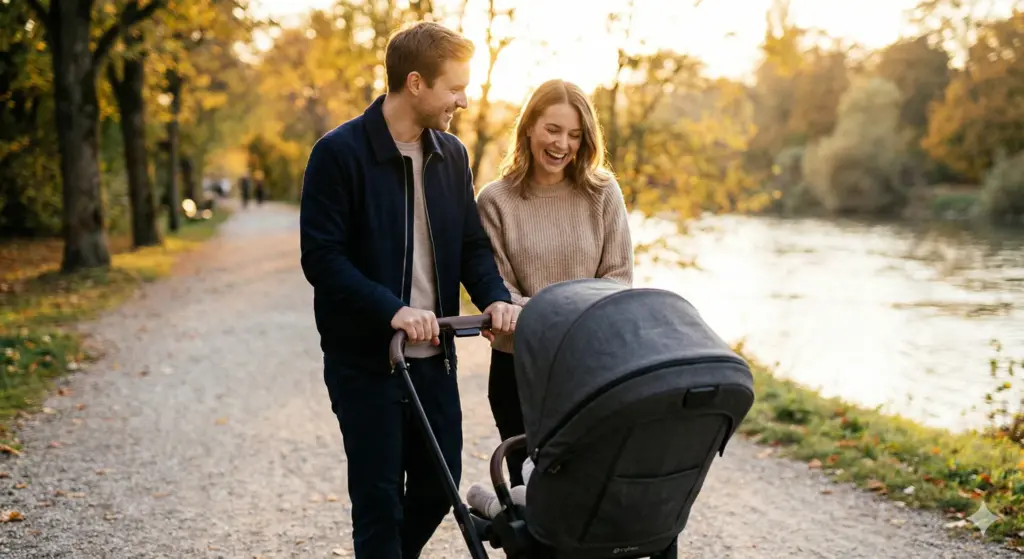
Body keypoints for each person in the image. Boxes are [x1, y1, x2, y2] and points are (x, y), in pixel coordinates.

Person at [298, 21, 521, 559]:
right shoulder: (338, 154)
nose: (463, 101)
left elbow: (470, 245)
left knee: (434, 489)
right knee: (378, 501)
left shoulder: (452, 156)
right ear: (416, 83)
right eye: (454, 88)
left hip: (432, 357)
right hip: (366, 360)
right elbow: (322, 260)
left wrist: (494, 295)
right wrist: (393, 310)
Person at [476, 79, 634, 487]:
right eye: (553, 129)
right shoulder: (495, 201)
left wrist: (549, 313)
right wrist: (566, 312)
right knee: (529, 492)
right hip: (518, 368)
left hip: (589, 366)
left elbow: (617, 282)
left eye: (575, 134)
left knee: (590, 490)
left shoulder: (602, 192)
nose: (562, 143)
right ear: (529, 126)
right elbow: (500, 292)